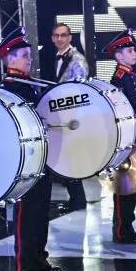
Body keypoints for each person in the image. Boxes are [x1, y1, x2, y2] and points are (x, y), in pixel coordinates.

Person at [0, 27, 65, 271]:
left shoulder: (26, 84)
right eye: (24, 55)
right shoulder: (10, 88)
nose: (29, 59)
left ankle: (39, 258)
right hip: (26, 161)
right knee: (28, 214)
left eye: (29, 55)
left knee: (40, 213)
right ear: (11, 58)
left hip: (39, 159)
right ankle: (27, 263)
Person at [105, 28, 136, 244]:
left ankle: (126, 227)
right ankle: (122, 229)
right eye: (130, 50)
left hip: (132, 134)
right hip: (126, 135)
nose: (134, 53)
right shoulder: (120, 77)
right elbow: (119, 108)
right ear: (119, 55)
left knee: (132, 182)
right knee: (124, 183)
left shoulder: (128, 74)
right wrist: (134, 117)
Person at [49, 23, 89, 211]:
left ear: (70, 37)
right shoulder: (54, 57)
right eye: (56, 35)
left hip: (72, 115)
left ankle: (78, 200)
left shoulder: (77, 59)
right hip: (59, 114)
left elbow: (80, 90)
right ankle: (76, 199)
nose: (59, 39)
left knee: (71, 156)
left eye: (63, 35)